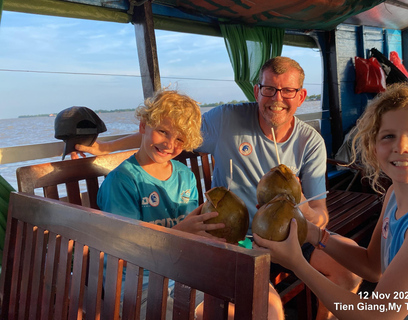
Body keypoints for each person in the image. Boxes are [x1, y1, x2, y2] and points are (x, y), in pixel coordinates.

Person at [76, 57, 361, 319]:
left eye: (287, 91)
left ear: (301, 96)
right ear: (256, 90)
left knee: (349, 269)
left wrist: (307, 210)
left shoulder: (310, 141)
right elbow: (167, 131)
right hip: (240, 242)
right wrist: (105, 147)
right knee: (262, 305)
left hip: (289, 238)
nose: (277, 98)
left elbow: (320, 213)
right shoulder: (226, 119)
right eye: (269, 89)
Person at [254, 83, 408, 319]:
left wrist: (297, 264)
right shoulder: (394, 195)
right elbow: (373, 267)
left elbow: (378, 315)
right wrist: (311, 232)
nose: (401, 146)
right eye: (389, 136)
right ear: (373, 149)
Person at [97, 89, 226, 318]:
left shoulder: (185, 176)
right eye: (163, 131)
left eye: (179, 139)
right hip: (139, 287)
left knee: (237, 302)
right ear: (144, 126)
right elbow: (126, 253)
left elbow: (193, 233)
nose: (169, 144)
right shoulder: (123, 181)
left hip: (182, 276)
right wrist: (178, 233)